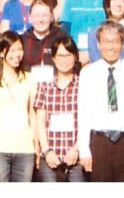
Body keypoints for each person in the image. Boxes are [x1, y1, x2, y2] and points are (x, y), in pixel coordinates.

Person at [77, 21, 124, 182]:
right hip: (99, 143)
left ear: (122, 44)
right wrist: (84, 150)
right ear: (98, 44)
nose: (111, 47)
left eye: (115, 41)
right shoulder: (88, 73)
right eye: (106, 41)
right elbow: (83, 114)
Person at [0, 31, 38, 182]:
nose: (17, 54)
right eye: (12, 50)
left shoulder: (29, 78)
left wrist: (36, 145)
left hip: (25, 149)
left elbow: (32, 115)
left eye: (20, 50)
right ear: (2, 52)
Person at [33, 35, 84, 182]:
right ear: (54, 58)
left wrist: (76, 149)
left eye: (68, 55)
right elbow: (40, 123)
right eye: (60, 55)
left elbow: (88, 121)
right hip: (50, 157)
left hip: (76, 156)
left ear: (75, 57)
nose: (65, 60)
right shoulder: (44, 86)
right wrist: (47, 151)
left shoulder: (83, 85)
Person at [20, 0, 69, 76]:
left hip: (54, 84)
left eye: (45, 15)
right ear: (30, 17)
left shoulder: (62, 38)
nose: (40, 20)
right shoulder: (22, 40)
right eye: (36, 15)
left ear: (51, 17)